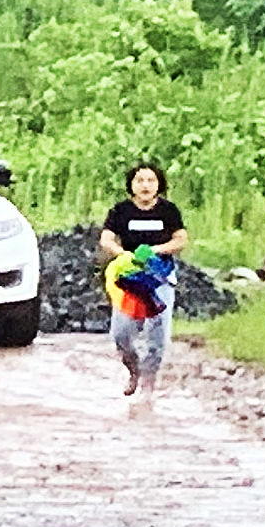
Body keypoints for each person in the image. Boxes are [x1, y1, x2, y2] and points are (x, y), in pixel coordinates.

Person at [96, 162, 184, 406]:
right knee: (121, 334)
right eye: (140, 180)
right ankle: (133, 369)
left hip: (160, 277)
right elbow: (106, 238)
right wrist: (121, 254)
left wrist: (157, 250)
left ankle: (148, 385)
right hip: (129, 279)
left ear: (159, 185)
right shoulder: (120, 211)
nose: (146, 185)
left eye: (151, 181)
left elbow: (181, 239)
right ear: (131, 185)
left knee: (157, 335)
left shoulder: (169, 211)